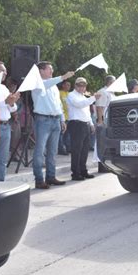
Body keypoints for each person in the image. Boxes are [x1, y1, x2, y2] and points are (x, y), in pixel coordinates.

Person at [32, 61, 75, 189]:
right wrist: (63, 77)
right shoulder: (37, 83)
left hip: (55, 120)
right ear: (41, 71)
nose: (51, 71)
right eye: (49, 69)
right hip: (43, 120)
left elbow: (58, 105)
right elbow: (47, 83)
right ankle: (39, 179)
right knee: (40, 151)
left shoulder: (54, 87)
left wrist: (62, 119)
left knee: (52, 151)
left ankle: (50, 177)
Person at [66, 77, 101, 181]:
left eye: (83, 85)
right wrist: (93, 98)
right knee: (76, 150)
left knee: (84, 150)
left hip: (84, 124)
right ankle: (75, 173)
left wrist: (90, 124)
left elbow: (86, 112)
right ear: (75, 86)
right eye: (79, 85)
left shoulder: (84, 97)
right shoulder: (71, 95)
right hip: (76, 124)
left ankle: (83, 170)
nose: (82, 87)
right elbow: (79, 105)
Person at [0, 61, 20, 182]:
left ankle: (0, 184)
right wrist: (5, 102)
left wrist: (12, 101)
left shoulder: (3, 88)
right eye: (2, 71)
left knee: (2, 160)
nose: (5, 74)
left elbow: (13, 108)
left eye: (5, 72)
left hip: (5, 126)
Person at [95, 75, 116, 172]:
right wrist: (100, 121)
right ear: (110, 83)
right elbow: (100, 107)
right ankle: (102, 166)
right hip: (104, 122)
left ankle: (108, 165)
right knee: (101, 144)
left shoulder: (112, 93)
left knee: (107, 144)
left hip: (111, 122)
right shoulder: (102, 92)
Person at [58, 80, 71, 155]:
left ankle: (68, 148)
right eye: (67, 85)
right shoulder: (59, 93)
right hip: (62, 117)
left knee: (68, 134)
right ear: (63, 85)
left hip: (69, 117)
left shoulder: (69, 94)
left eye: (69, 85)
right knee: (61, 134)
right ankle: (61, 149)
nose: (68, 86)